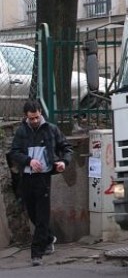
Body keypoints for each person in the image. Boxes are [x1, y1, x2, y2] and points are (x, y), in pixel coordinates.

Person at [9, 100, 73, 267]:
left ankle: (36, 253)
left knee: (42, 215)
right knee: (32, 214)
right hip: (27, 178)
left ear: (40, 113)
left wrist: (63, 163)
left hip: (44, 177)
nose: (35, 121)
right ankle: (49, 237)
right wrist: (29, 161)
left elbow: (66, 148)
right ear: (26, 117)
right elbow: (14, 152)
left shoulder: (51, 129)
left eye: (37, 117)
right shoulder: (22, 131)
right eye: (32, 118)